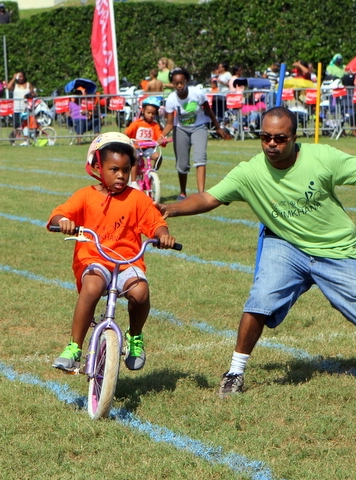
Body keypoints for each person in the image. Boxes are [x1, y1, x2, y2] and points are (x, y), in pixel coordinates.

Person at [158, 107, 356, 397]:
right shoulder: (249, 172)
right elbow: (209, 198)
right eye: (265, 137)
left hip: (333, 248)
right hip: (285, 245)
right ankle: (235, 372)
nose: (271, 144)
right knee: (260, 300)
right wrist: (171, 209)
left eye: (280, 138)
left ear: (294, 137)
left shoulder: (321, 157)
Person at [47, 132, 177, 372]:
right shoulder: (85, 195)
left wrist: (163, 235)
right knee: (92, 287)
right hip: (94, 259)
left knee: (140, 291)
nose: (121, 176)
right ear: (98, 167)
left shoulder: (137, 199)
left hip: (128, 262)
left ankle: (135, 337)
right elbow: (59, 214)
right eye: (114, 169)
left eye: (126, 170)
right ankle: (74, 347)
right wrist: (63, 221)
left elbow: (156, 223)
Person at [158, 67, 226, 200]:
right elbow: (170, 123)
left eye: (181, 82)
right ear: (173, 84)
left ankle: (201, 194)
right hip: (180, 129)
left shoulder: (197, 93)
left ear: (186, 81)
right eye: (176, 83)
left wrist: (218, 127)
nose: (179, 86)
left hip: (199, 127)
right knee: (182, 164)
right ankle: (182, 192)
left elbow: (209, 111)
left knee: (200, 159)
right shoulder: (171, 99)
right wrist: (162, 135)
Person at [124, 96, 164, 184]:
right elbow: (127, 132)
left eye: (153, 113)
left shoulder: (155, 125)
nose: (151, 115)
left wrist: (161, 140)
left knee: (158, 157)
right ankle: (133, 182)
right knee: (135, 158)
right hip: (137, 148)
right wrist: (126, 138)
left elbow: (159, 136)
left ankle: (154, 173)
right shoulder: (136, 123)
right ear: (143, 111)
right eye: (148, 113)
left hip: (148, 149)